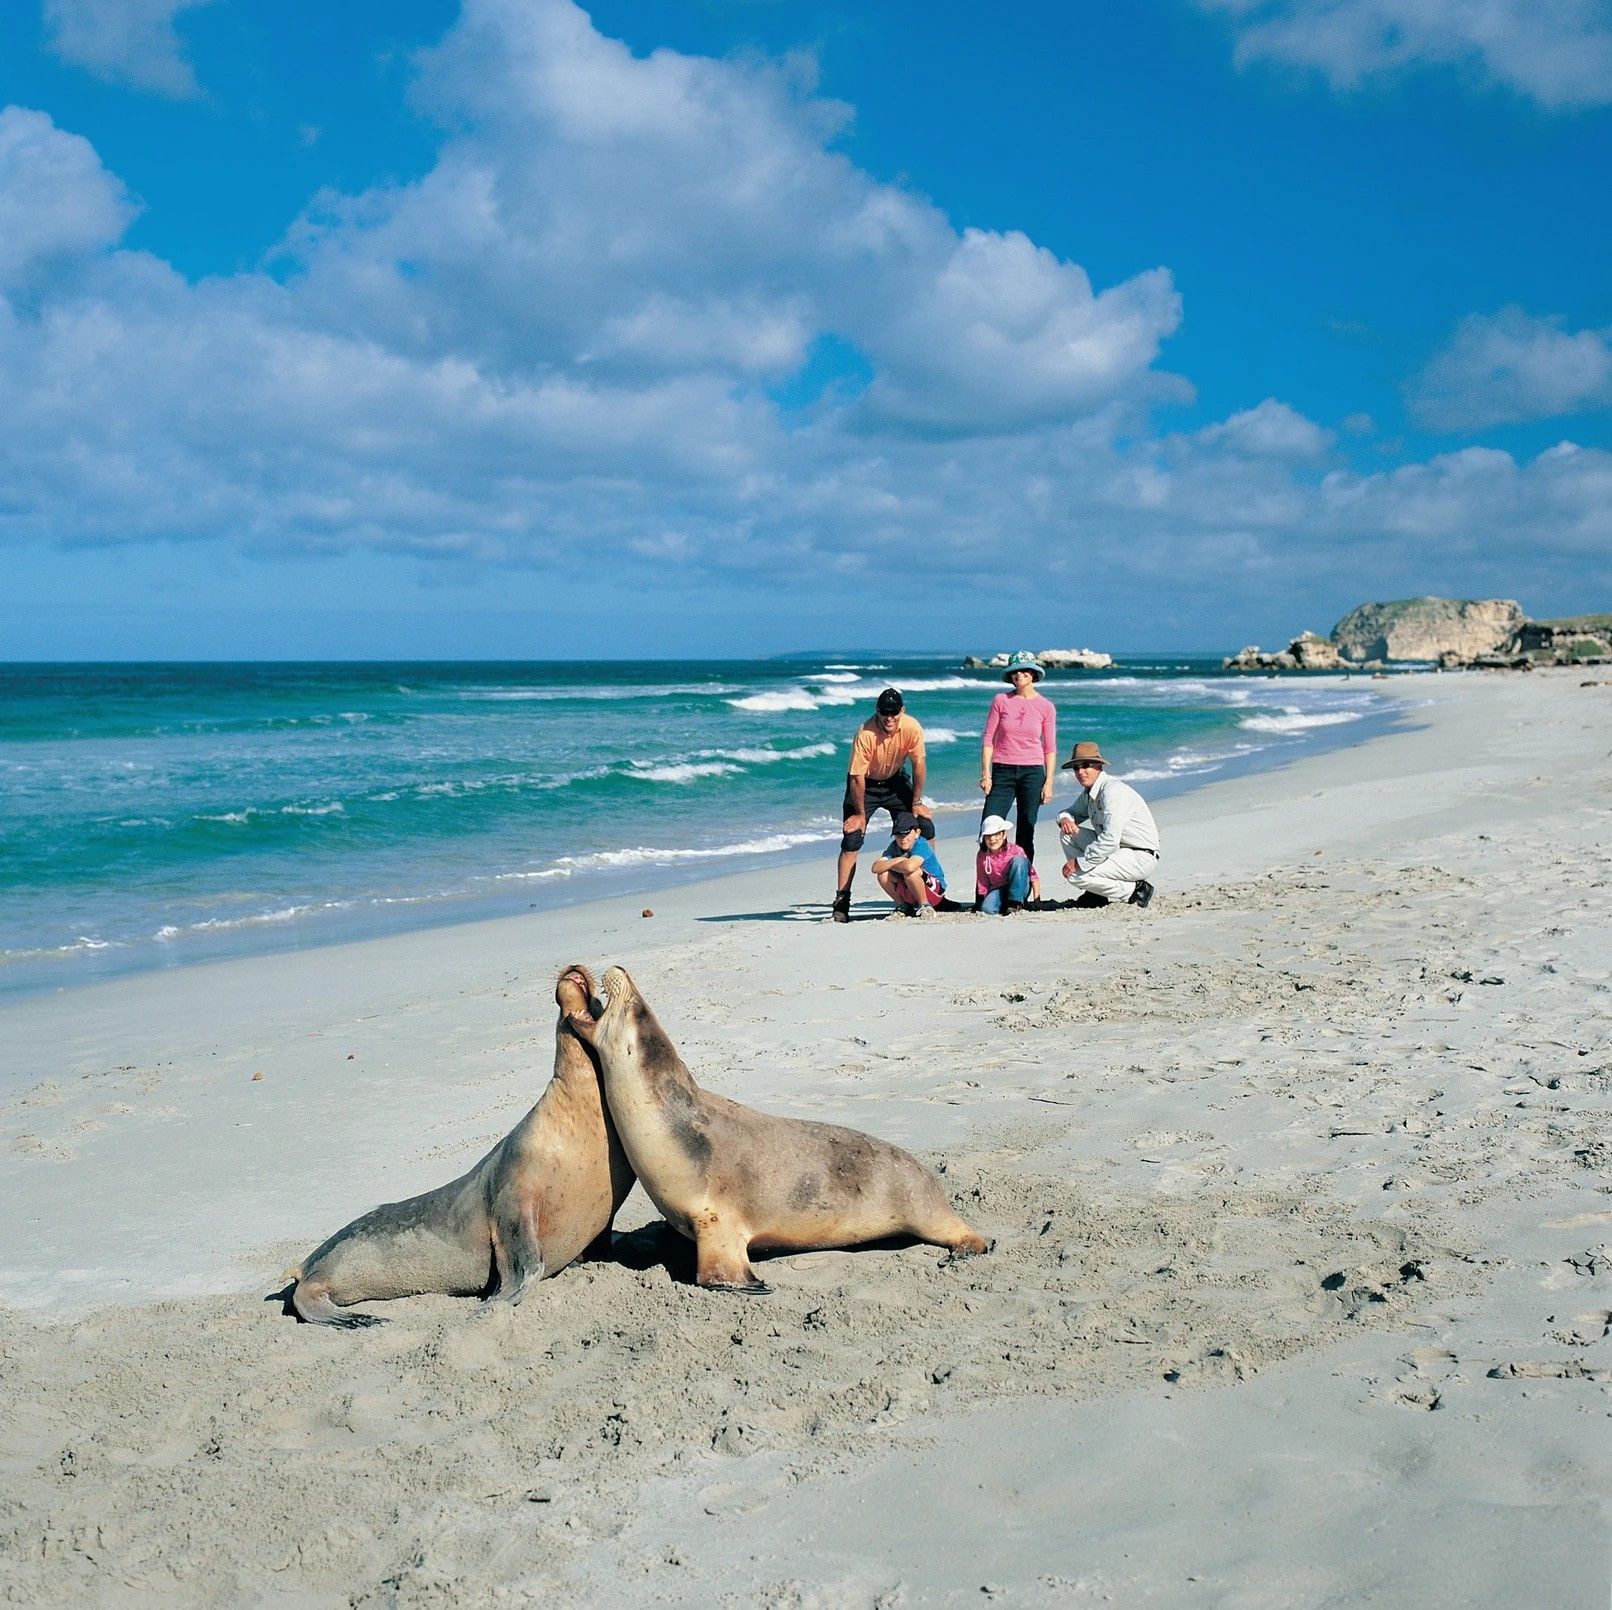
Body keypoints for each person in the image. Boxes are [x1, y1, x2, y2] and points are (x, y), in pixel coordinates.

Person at [831, 687, 934, 922]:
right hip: (864, 785)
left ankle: (930, 891)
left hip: (895, 781)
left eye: (894, 712)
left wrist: (916, 801)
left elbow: (918, 765)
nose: (889, 718)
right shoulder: (865, 733)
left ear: (902, 711)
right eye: (885, 712)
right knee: (852, 839)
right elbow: (856, 777)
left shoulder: (911, 727)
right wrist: (859, 813)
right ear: (877, 711)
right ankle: (841, 901)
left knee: (925, 827)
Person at [1056, 740, 1160, 908]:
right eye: (1076, 767)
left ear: (1099, 766)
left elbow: (1110, 840)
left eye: (1086, 765)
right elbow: (1067, 812)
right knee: (1067, 834)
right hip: (1119, 851)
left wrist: (1079, 863)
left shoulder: (1111, 792)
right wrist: (1064, 820)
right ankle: (1097, 894)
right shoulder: (1089, 793)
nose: (1081, 772)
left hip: (1140, 856)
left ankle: (1136, 890)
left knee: (1075, 875)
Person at [979, 650, 1057, 873]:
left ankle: (1019, 890)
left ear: (1033, 674)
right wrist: (986, 774)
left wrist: (1049, 782)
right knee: (989, 827)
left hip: (1033, 773)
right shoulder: (1001, 700)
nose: (1018, 675)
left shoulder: (1046, 707)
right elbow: (988, 739)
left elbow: (1049, 748)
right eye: (1014, 671)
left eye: (1023, 671)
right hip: (1002, 772)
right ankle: (986, 889)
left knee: (1026, 830)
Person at [871, 810, 946, 919]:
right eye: (899, 835)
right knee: (883, 874)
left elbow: (910, 866)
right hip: (910, 889)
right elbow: (875, 867)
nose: (903, 839)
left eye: (906, 833)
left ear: (917, 833)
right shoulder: (894, 846)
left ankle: (925, 906)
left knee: (911, 872)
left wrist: (891, 862)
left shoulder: (921, 845)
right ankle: (903, 906)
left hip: (934, 890)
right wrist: (898, 860)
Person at [974, 814, 1040, 914]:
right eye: (988, 836)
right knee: (987, 909)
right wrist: (983, 900)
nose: (992, 839)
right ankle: (1006, 904)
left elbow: (1033, 877)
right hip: (998, 889)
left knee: (1019, 860)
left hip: (1021, 886)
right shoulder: (982, 856)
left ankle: (1015, 902)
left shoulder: (1016, 850)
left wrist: (1037, 901)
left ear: (1004, 834)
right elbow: (982, 881)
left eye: (996, 834)